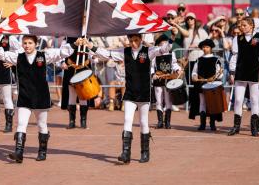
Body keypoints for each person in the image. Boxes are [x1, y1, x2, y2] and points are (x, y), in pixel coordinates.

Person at [86, 34, 174, 164]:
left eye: (136, 40)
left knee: (144, 122)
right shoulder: (124, 52)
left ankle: (145, 152)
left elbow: (164, 49)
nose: (133, 43)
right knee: (127, 119)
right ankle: (126, 153)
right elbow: (106, 54)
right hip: (130, 93)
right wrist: (91, 46)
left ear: (141, 39)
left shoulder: (148, 51)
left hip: (144, 93)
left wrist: (172, 36)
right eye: (131, 41)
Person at [0, 34, 76, 163]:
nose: (27, 45)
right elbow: (0, 54)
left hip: (41, 96)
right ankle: (19, 152)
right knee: (21, 124)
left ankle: (42, 151)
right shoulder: (17, 57)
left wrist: (75, 44)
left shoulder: (44, 55)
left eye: (30, 43)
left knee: (42, 125)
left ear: (35, 44)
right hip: (24, 96)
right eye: (25, 43)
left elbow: (62, 53)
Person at [228, 17, 259, 137]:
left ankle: (254, 127)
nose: (242, 27)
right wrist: (232, 72)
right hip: (240, 72)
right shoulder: (238, 38)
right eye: (240, 25)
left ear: (251, 26)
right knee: (238, 100)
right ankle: (236, 127)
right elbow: (234, 56)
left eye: (244, 25)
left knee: (254, 100)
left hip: (254, 72)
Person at [191, 39, 224, 131]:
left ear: (211, 48)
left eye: (207, 47)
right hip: (201, 84)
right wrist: (194, 76)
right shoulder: (199, 60)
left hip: (212, 85)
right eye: (204, 47)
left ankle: (212, 124)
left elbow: (220, 74)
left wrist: (218, 75)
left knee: (212, 104)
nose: (205, 49)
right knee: (202, 102)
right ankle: (202, 124)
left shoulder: (216, 59)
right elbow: (194, 72)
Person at [61, 37, 93, 129]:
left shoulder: (88, 38)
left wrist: (93, 56)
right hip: (71, 69)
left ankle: (83, 121)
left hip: (84, 68)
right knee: (72, 94)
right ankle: (72, 121)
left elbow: (92, 53)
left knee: (83, 94)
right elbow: (62, 53)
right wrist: (63, 62)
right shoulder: (67, 39)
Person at [151, 35, 181, 129]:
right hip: (158, 79)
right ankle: (160, 121)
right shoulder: (155, 54)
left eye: (166, 43)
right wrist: (153, 75)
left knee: (168, 101)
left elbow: (174, 64)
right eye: (162, 44)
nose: (164, 45)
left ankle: (167, 122)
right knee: (159, 100)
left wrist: (177, 70)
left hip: (168, 79)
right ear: (159, 45)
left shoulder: (171, 54)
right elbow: (151, 67)